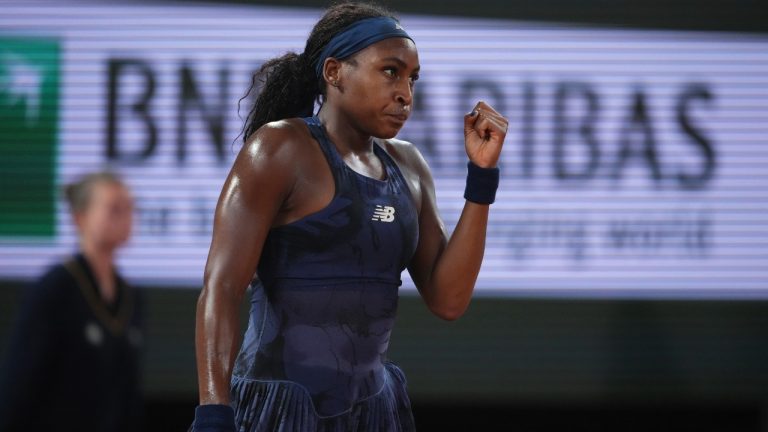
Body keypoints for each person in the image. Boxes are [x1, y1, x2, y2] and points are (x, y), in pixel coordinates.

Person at [192, 2, 508, 431]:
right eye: (391, 71)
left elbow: (448, 300)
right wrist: (213, 414)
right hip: (278, 410)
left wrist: (482, 177)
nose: (406, 94)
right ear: (334, 72)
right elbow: (222, 287)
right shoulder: (279, 149)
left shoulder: (409, 166)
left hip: (375, 411)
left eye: (413, 79)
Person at [0, 171, 145, 432]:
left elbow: (128, 390)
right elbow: (21, 380)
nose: (126, 217)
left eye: (130, 208)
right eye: (114, 208)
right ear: (80, 218)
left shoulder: (131, 295)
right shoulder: (56, 287)